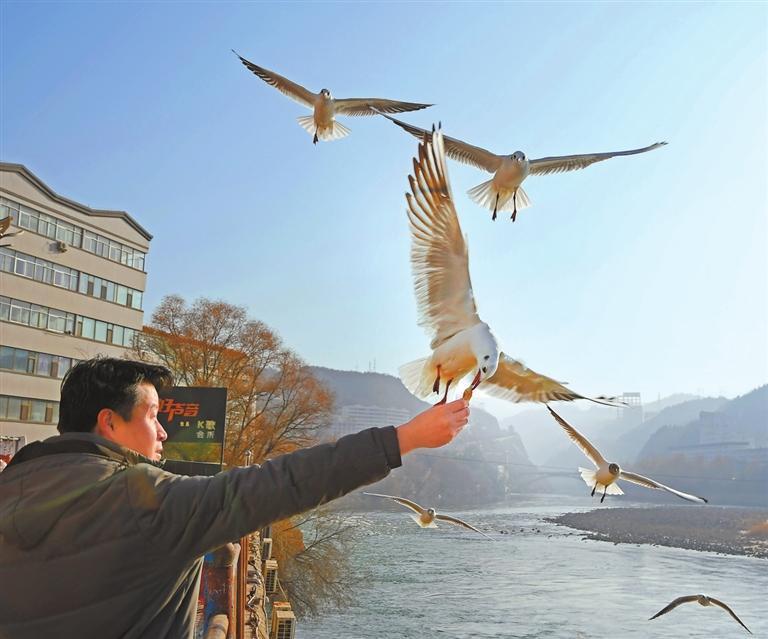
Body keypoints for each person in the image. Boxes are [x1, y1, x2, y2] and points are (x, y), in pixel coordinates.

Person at [0, 357, 469, 639]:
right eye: (153, 415)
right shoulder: (147, 501)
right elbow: (277, 484)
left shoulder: (10, 487)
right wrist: (403, 439)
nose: (163, 431)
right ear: (110, 423)